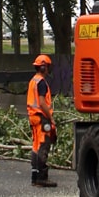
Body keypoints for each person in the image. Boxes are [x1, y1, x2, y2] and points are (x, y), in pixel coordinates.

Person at [26, 53, 57, 188]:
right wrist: (51, 118)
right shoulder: (42, 83)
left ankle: (35, 176)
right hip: (41, 117)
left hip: (33, 117)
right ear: (44, 67)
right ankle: (42, 177)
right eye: (48, 67)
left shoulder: (33, 80)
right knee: (43, 146)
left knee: (35, 146)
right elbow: (43, 103)